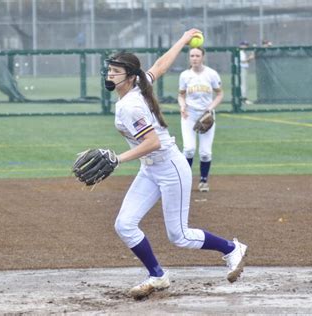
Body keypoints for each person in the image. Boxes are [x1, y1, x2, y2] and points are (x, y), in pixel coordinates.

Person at [102, 28, 247, 300]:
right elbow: (159, 66)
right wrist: (182, 40)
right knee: (125, 224)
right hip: (151, 169)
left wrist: (117, 158)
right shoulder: (137, 84)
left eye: (115, 71)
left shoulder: (130, 105)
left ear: (129, 76)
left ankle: (231, 248)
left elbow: (153, 142)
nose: (110, 74)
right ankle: (157, 276)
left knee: (179, 236)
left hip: (170, 167)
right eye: (109, 69)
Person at [178, 47, 224, 192]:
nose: (194, 58)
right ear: (189, 58)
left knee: (205, 152)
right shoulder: (185, 75)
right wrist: (182, 105)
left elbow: (220, 94)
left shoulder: (211, 74)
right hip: (189, 115)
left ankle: (203, 181)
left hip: (206, 116)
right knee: (189, 149)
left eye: (197, 55)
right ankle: (185, 181)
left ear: (202, 57)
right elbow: (181, 94)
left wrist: (210, 107)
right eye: (192, 56)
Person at [239, 41, 254, 105]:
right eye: (244, 45)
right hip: (241, 69)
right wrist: (250, 58)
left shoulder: (243, 52)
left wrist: (251, 57)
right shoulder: (240, 52)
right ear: (241, 45)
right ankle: (243, 99)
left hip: (244, 68)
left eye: (246, 45)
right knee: (243, 85)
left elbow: (247, 61)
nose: (246, 46)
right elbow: (243, 61)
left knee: (245, 84)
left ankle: (244, 98)